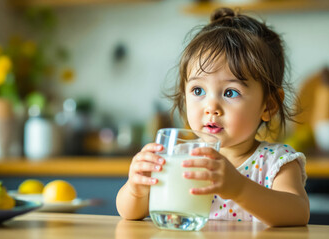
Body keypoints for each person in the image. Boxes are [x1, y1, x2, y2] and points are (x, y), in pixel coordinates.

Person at [116, 7, 309, 227]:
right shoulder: (180, 157)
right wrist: (136, 188)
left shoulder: (276, 162)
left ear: (269, 105)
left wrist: (239, 188)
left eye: (230, 92)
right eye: (198, 91)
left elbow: (298, 212)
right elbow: (129, 213)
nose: (211, 107)